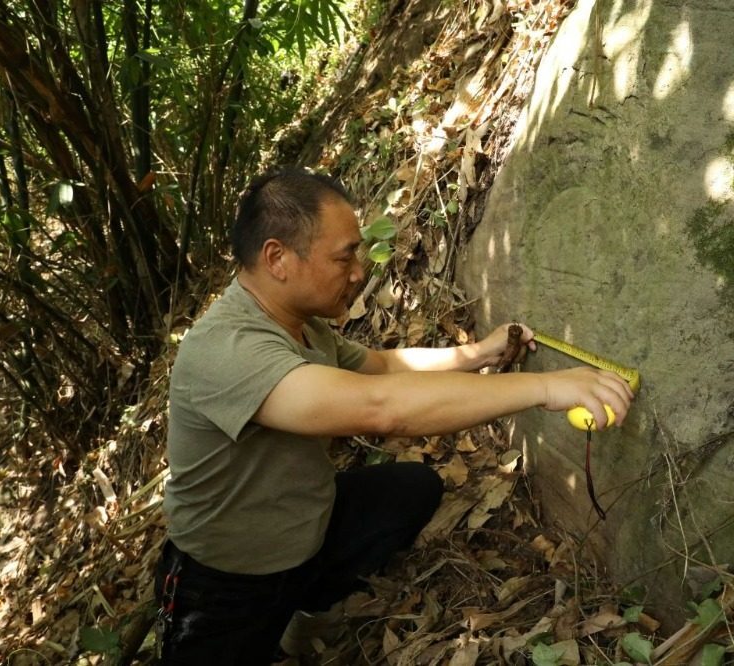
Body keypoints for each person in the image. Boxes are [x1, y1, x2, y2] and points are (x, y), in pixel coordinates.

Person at [155, 167, 633, 664]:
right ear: (278, 258)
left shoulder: (302, 326)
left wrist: (477, 355)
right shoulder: (226, 349)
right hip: (226, 581)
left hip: (307, 527)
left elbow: (383, 367)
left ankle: (309, 603)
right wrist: (545, 386)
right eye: (345, 257)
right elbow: (378, 407)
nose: (360, 271)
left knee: (412, 491)